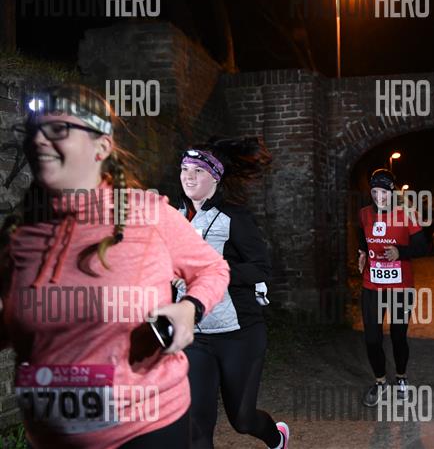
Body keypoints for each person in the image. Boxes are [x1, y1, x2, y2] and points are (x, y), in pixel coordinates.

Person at [0, 84, 230, 448]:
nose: (39, 140)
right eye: (34, 131)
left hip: (147, 429)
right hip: (48, 437)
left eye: (58, 129)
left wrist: (189, 309)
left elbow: (212, 269)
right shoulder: (20, 234)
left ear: (102, 146)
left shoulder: (147, 214)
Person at [177, 138, 289, 449]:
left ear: (215, 177)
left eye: (198, 171)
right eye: (184, 170)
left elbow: (260, 269)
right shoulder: (173, 218)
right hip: (195, 335)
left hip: (238, 333)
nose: (189, 177)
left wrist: (216, 271)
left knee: (242, 419)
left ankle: (276, 437)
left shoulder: (234, 217)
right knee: (197, 426)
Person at [357, 169, 428, 407]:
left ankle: (401, 378)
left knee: (398, 336)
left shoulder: (407, 213)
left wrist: (400, 252)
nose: (379, 197)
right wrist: (362, 252)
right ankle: (380, 382)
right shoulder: (365, 214)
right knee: (372, 339)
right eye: (374, 192)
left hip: (400, 287)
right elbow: (362, 236)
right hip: (372, 285)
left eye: (383, 192)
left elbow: (424, 248)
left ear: (392, 191)